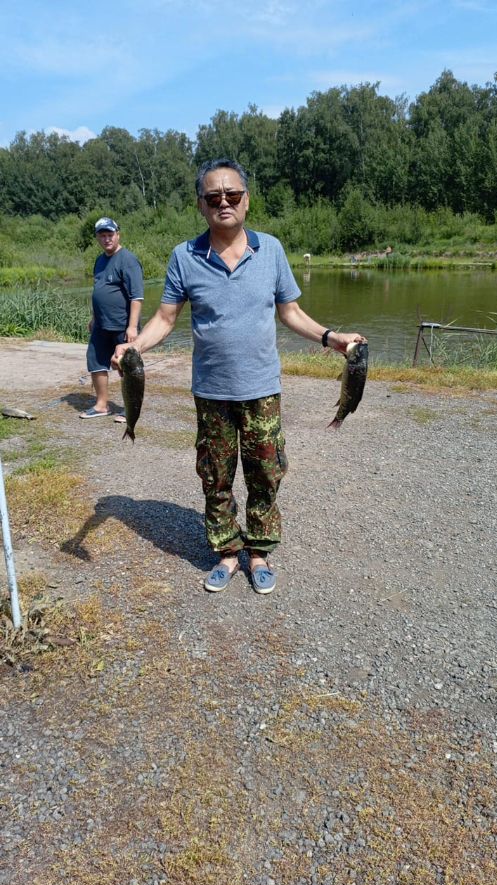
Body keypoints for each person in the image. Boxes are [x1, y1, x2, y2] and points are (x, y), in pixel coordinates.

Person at [112, 159, 366, 594]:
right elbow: (166, 319)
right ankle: (228, 551)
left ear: (247, 200)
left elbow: (290, 312)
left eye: (232, 195)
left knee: (266, 472)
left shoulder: (271, 250)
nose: (224, 203)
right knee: (215, 474)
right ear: (201, 205)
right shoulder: (184, 256)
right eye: (214, 197)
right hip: (211, 391)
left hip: (262, 388)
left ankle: (260, 551)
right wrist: (134, 346)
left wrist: (331, 338)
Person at [80, 217, 144, 422]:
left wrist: (132, 327)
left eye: (110, 234)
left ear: (118, 235)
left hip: (123, 325)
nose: (106, 239)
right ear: (97, 238)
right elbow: (99, 290)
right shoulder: (99, 261)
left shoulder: (128, 260)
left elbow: (137, 297)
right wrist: (94, 318)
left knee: (128, 367)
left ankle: (130, 409)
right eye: (102, 235)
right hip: (101, 324)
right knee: (95, 361)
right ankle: (101, 405)